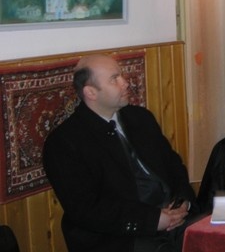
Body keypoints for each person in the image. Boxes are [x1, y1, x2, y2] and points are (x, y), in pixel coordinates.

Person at [43, 54, 199, 252]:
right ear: (91, 92)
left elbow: (173, 164)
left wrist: (183, 202)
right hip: (118, 237)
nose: (125, 83)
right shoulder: (64, 142)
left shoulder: (141, 118)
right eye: (114, 79)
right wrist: (152, 220)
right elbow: (85, 209)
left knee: (221, 234)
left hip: (172, 217)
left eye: (122, 75)